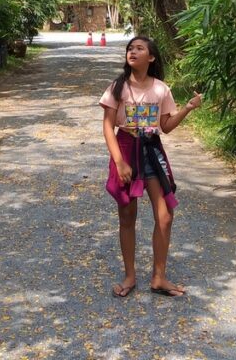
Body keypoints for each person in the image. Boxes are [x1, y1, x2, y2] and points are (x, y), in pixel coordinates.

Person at [100, 36, 202, 298]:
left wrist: (188, 108)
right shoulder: (117, 87)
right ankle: (130, 276)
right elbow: (107, 128)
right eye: (130, 48)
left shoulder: (160, 89)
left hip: (151, 150)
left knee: (165, 214)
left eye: (139, 48)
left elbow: (165, 127)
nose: (132, 52)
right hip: (125, 148)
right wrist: (120, 161)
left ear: (151, 57)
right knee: (127, 215)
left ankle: (159, 277)